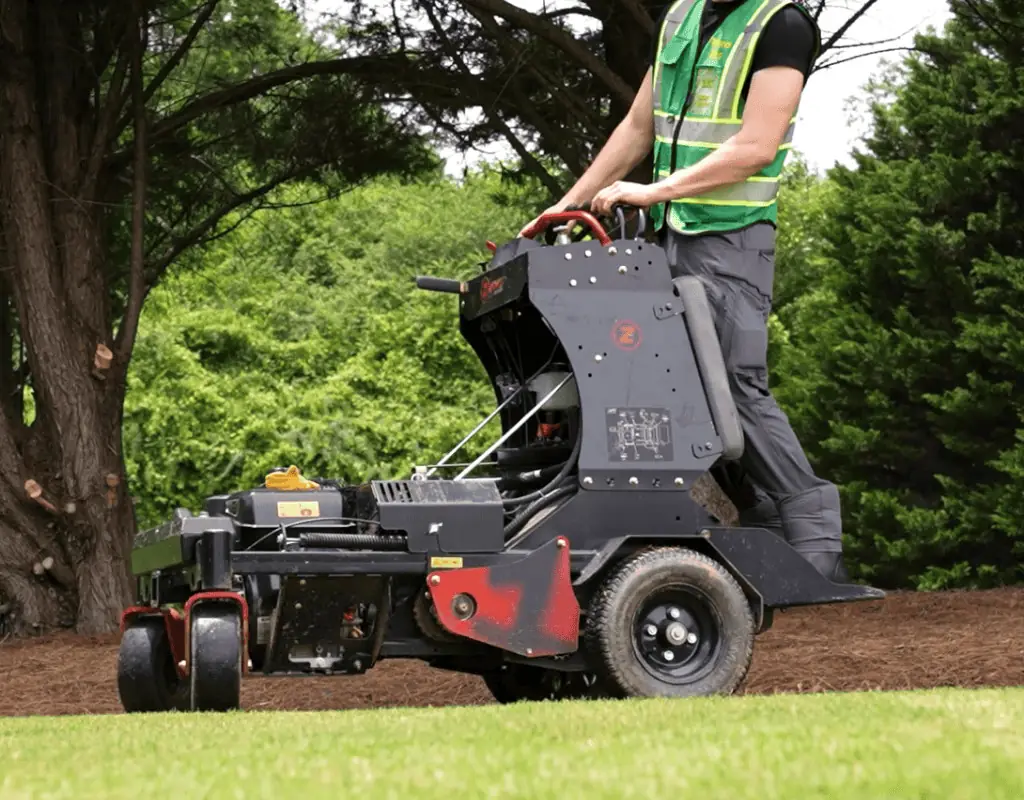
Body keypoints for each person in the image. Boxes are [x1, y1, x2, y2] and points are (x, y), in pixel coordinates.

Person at [519, 0, 849, 583]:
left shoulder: (781, 24)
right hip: (669, 237)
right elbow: (638, 127)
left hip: (733, 238)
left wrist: (655, 191)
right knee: (668, 387)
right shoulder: (680, 18)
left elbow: (757, 146)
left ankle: (812, 526)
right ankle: (759, 522)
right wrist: (569, 203)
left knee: (734, 385)